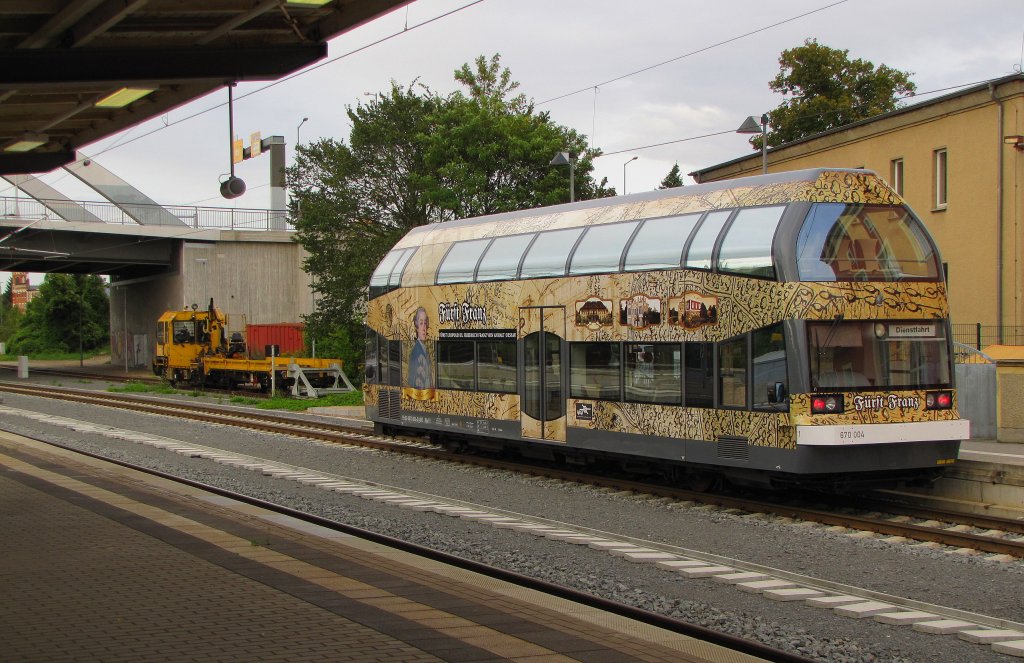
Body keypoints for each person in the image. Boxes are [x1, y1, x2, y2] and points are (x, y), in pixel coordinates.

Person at [408, 306, 433, 390]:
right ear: (416, 326)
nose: (424, 328)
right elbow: (417, 382)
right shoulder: (417, 351)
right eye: (421, 323)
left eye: (425, 323)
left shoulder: (424, 349)